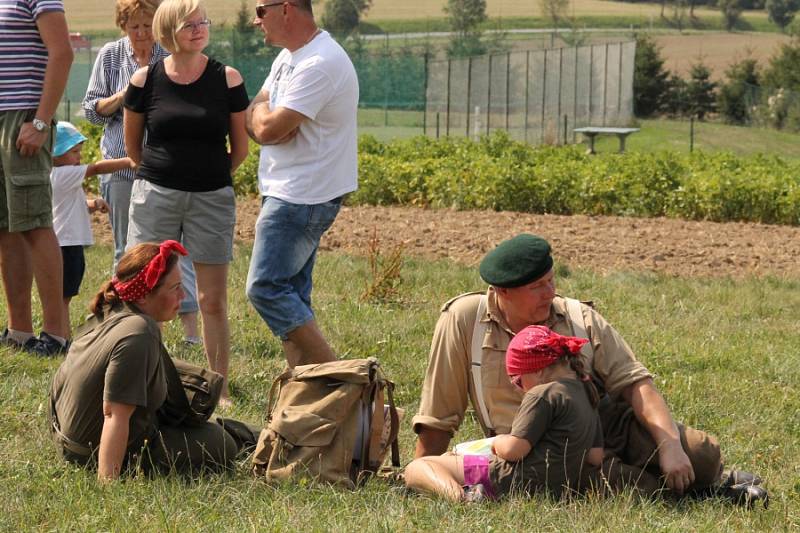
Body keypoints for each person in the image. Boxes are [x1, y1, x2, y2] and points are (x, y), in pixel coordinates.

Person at [412, 233, 768, 507]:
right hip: (538, 449)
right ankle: (711, 493)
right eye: (537, 287)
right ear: (502, 291)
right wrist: (424, 472)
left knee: (699, 456)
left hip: (605, 425)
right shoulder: (465, 320)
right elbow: (439, 411)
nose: (550, 292)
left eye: (551, 280)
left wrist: (670, 445)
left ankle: (712, 480)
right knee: (612, 484)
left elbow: (636, 384)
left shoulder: (578, 316)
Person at [123, 0, 249, 401]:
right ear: (168, 31)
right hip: (155, 194)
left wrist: (207, 177)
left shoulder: (226, 79)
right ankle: (146, 383)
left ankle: (218, 388)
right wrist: (163, 177)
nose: (198, 29)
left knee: (212, 299)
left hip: (212, 197)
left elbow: (240, 148)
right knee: (144, 291)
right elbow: (133, 147)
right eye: (188, 24)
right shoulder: (145, 80)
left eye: (203, 22)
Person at [49, 241, 256, 481]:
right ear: (145, 295)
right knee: (222, 442)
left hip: (67, 439)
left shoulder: (113, 308)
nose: (184, 295)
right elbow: (114, 415)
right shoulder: (139, 331)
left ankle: (257, 435)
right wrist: (108, 484)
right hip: (94, 452)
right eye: (175, 288)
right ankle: (261, 439)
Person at [245, 0, 359, 368]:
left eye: (261, 10)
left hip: (300, 196)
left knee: (266, 288)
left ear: (287, 9)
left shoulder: (318, 63)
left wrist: (265, 122)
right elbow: (259, 111)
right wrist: (265, 121)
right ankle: (305, 392)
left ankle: (342, 382)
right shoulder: (290, 58)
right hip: (293, 191)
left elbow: (263, 127)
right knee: (292, 295)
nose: (255, 20)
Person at [81, 0, 201, 346]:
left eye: (148, 25)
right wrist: (127, 94)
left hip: (165, 167)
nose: (141, 33)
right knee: (126, 249)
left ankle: (191, 332)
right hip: (121, 167)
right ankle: (124, 328)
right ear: (123, 26)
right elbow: (93, 111)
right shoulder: (110, 55)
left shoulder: (170, 54)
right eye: (133, 26)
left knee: (175, 250)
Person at [406, 325, 615, 502]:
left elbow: (515, 451)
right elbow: (595, 457)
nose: (517, 387)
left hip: (508, 481)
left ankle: (462, 497)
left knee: (419, 466)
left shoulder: (542, 394)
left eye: (517, 379)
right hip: (557, 490)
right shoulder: (588, 393)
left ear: (538, 370)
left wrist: (498, 443)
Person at [0, 0, 73, 355]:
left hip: (23, 120)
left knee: (34, 224)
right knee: (6, 227)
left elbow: (62, 53)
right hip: (3, 121)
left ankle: (56, 335)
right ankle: (19, 331)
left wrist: (41, 122)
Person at [50, 121, 132, 335]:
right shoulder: (62, 174)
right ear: (55, 155)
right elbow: (96, 168)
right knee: (62, 297)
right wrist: (131, 160)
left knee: (63, 296)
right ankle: (60, 337)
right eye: (74, 151)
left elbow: (73, 204)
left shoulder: (59, 176)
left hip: (66, 243)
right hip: (65, 244)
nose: (79, 157)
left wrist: (93, 204)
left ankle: (60, 335)